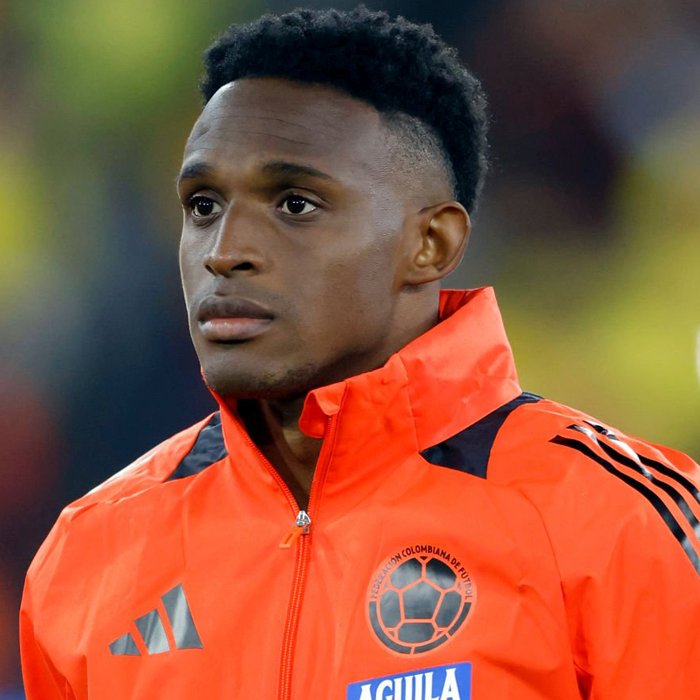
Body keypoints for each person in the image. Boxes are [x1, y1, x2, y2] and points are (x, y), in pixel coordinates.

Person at [20, 7, 699, 699]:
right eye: (203, 206)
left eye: (295, 204)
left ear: (430, 244)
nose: (225, 252)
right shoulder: (94, 551)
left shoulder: (617, 524)